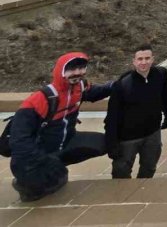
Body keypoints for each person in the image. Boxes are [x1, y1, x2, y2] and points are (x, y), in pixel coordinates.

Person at [8, 53, 113, 201]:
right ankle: (26, 182)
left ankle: (57, 165)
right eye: (72, 69)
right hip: (36, 153)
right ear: (61, 71)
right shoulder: (40, 99)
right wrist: (41, 160)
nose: (78, 73)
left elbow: (96, 92)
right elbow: (19, 140)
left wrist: (118, 85)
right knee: (38, 192)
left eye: (81, 68)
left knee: (106, 143)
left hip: (66, 142)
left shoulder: (79, 87)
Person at [105, 45, 167, 179]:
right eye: (140, 59)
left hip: (152, 133)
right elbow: (112, 116)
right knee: (121, 171)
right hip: (128, 137)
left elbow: (165, 95)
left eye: (147, 58)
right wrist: (111, 143)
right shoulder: (123, 84)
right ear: (134, 61)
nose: (144, 62)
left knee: (149, 168)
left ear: (152, 59)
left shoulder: (160, 74)